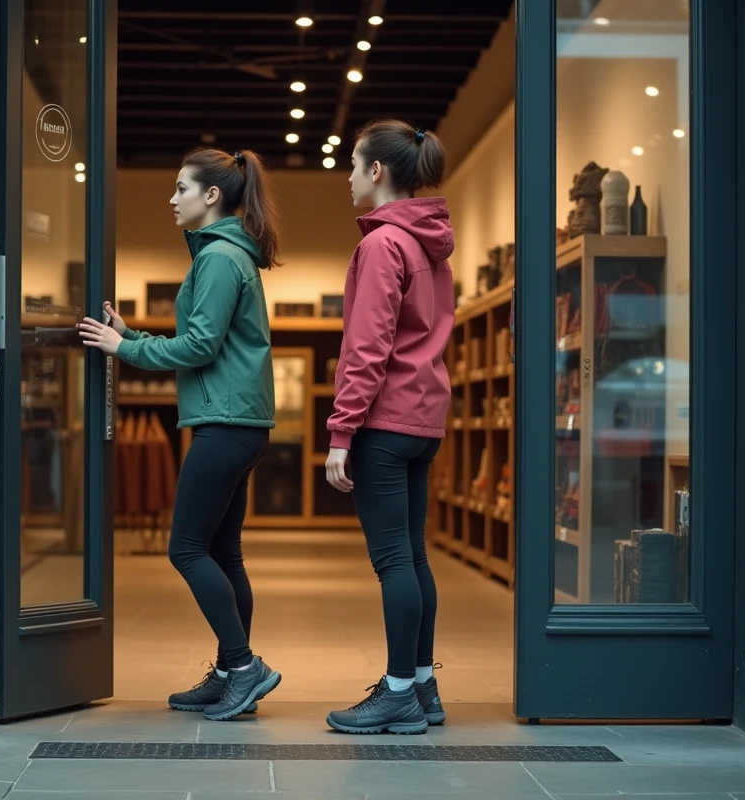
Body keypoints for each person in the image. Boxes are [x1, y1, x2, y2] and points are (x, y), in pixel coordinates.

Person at [79, 147, 282, 722]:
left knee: (186, 549)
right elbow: (204, 340)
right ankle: (227, 673)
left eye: (181, 188)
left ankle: (243, 668)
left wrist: (125, 347)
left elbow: (199, 346)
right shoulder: (230, 254)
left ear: (211, 195)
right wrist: (132, 331)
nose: (172, 199)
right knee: (223, 551)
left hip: (225, 423)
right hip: (240, 420)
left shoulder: (218, 257)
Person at [323, 119, 455, 735]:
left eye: (354, 164)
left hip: (384, 419)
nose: (348, 176)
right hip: (423, 421)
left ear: (378, 172)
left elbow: (367, 345)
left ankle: (398, 691)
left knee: (393, 562)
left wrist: (342, 431)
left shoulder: (382, 244)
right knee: (415, 557)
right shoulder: (428, 242)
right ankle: (423, 686)